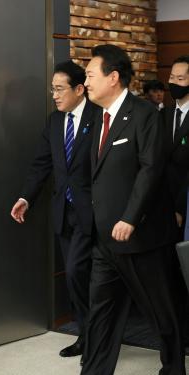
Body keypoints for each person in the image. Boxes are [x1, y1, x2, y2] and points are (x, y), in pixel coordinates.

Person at [80, 44, 185, 374]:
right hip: (105, 239)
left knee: (160, 312)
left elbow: (151, 169)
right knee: (101, 311)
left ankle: (172, 368)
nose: (86, 83)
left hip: (141, 236)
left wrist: (130, 217)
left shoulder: (145, 115)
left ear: (113, 77)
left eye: (90, 75)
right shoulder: (99, 118)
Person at [11, 60, 99, 358]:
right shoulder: (54, 121)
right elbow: (41, 164)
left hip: (94, 211)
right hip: (64, 211)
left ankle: (96, 336)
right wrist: (26, 198)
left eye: (59, 89)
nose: (55, 95)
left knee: (77, 271)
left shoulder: (99, 116)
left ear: (79, 88)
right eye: (52, 89)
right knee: (76, 277)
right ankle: (88, 336)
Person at [162, 55, 189, 239]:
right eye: (172, 77)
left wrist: (179, 207)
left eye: (180, 79)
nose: (174, 83)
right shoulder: (164, 114)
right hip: (163, 204)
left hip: (186, 202)